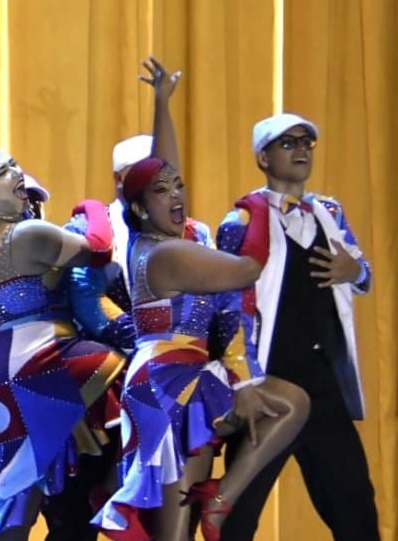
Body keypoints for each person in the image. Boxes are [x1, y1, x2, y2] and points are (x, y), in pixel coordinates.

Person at [93, 60, 309, 541]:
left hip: (191, 377)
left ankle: (220, 500)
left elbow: (161, 171)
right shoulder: (165, 253)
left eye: (179, 188)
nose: (176, 197)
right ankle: (216, 502)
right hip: (167, 387)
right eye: (162, 193)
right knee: (171, 530)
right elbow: (248, 269)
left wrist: (162, 103)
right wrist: (259, 209)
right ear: (137, 208)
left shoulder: (167, 234)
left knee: (291, 403)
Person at [0, 31, 124, 540]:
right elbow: (98, 245)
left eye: (16, 165)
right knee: (129, 371)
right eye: (8, 172)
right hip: (41, 355)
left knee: (18, 492)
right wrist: (90, 206)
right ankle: (119, 486)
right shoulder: (29, 234)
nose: (19, 173)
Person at [215, 113, 379, 541]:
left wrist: (354, 270)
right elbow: (229, 305)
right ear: (263, 158)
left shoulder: (330, 212)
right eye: (288, 143)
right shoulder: (242, 222)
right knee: (237, 517)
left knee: (356, 510)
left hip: (324, 387)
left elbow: (365, 275)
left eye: (307, 142)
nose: (302, 150)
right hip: (274, 387)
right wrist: (244, 383)